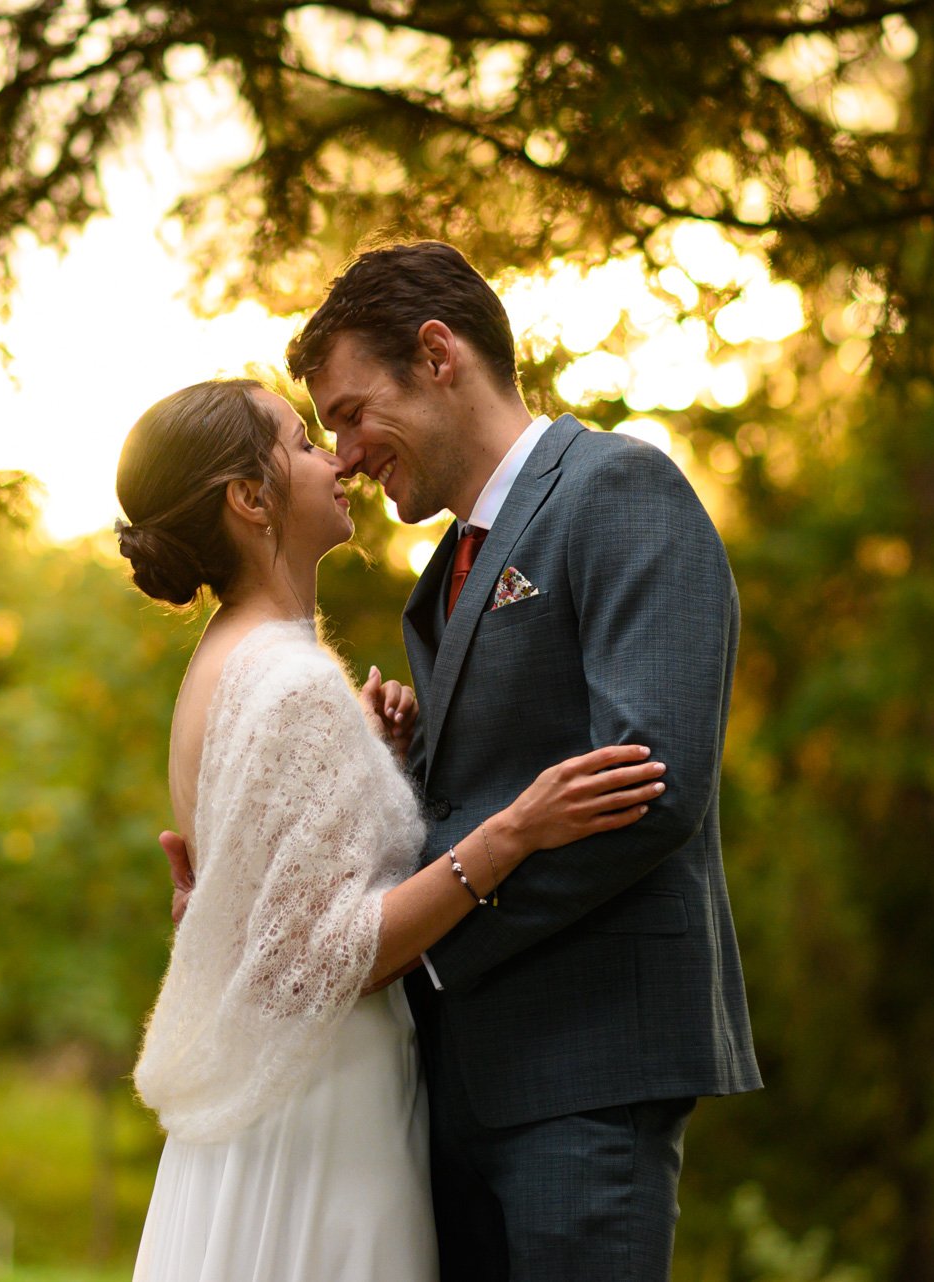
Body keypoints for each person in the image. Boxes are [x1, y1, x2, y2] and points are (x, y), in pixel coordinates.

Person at [167, 241, 762, 1280]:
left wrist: (419, 956)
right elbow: (469, 798)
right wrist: (380, 782)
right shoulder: (441, 576)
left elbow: (650, 785)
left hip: (586, 1067)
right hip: (448, 1085)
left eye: (349, 412)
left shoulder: (621, 488)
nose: (344, 454)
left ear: (437, 355)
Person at [114, 377, 670, 1282]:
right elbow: (324, 959)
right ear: (250, 499)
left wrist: (370, 765)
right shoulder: (289, 683)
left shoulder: (231, 659)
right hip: (324, 1120)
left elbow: (273, 896)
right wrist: (514, 833)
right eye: (300, 442)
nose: (336, 460)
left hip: (289, 1098)